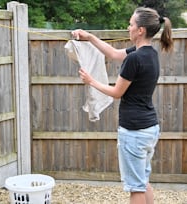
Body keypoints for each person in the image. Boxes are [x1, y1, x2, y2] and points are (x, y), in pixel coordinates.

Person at [71, 7, 173, 204]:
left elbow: (117, 93)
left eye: (131, 24)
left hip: (134, 132)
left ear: (140, 30)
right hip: (149, 128)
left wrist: (91, 81)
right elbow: (114, 53)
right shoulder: (149, 54)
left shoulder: (134, 59)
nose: (129, 27)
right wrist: (90, 37)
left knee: (136, 189)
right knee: (142, 181)